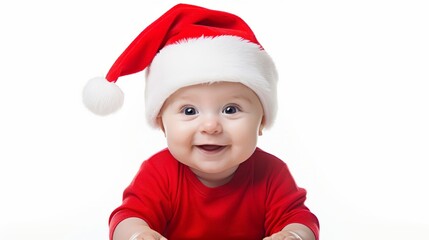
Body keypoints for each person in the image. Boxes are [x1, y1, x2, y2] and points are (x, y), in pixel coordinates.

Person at [83, 3, 319, 240]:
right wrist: (137, 234)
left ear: (262, 121)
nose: (210, 126)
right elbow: (128, 216)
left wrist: (295, 234)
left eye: (230, 109)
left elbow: (298, 218)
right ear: (162, 123)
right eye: (188, 111)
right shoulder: (158, 173)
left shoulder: (272, 174)